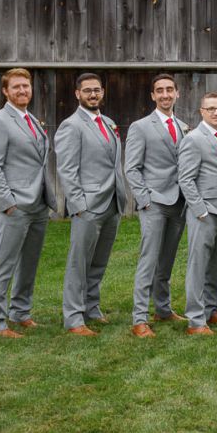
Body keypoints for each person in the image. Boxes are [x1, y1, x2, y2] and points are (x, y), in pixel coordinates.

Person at [0, 68, 57, 338]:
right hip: (12, 206)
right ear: (5, 91)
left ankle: (20, 312)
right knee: (3, 265)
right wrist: (7, 203)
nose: (22, 90)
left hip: (37, 205)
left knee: (29, 263)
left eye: (26, 86)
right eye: (16, 87)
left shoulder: (32, 120)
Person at [54, 73, 127, 336]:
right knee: (79, 262)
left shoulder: (108, 122)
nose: (93, 95)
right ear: (77, 94)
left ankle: (91, 307)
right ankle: (73, 318)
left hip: (112, 202)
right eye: (87, 91)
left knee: (99, 261)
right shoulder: (70, 126)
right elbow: (67, 170)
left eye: (97, 90)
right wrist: (79, 205)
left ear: (103, 92)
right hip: (88, 205)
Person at [124, 73, 189, 338]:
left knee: (167, 259)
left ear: (177, 93)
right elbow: (131, 167)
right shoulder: (140, 127)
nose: (165, 95)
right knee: (148, 260)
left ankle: (162, 308)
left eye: (169, 90)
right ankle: (139, 318)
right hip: (155, 203)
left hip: (179, 202)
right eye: (159, 91)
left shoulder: (184, 126)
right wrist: (145, 200)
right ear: (153, 96)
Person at [177, 92, 217, 335]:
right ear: (201, 111)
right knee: (199, 265)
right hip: (205, 211)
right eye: (211, 108)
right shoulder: (193, 139)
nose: (216, 112)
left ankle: (212, 310)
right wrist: (200, 210)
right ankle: (195, 319)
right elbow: (186, 178)